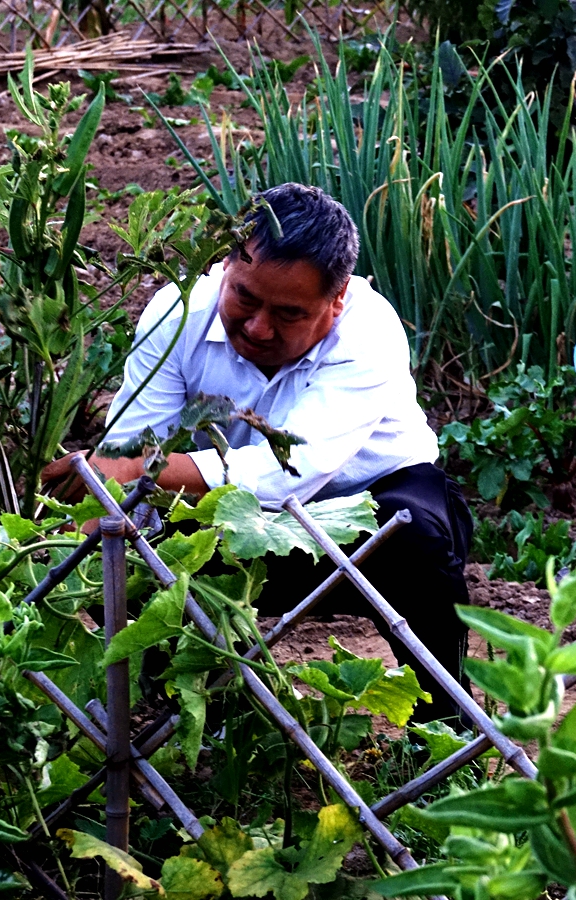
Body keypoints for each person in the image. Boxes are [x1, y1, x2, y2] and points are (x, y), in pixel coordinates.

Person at [42, 183, 472, 723]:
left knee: (419, 539)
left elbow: (288, 470)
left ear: (337, 301)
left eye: (288, 313)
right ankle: (185, 716)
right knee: (146, 548)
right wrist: (101, 524)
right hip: (230, 519)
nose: (258, 326)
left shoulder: (369, 332)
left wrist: (142, 465)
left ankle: (451, 736)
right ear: (226, 266)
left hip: (371, 509)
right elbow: (131, 446)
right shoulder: (177, 312)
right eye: (244, 297)